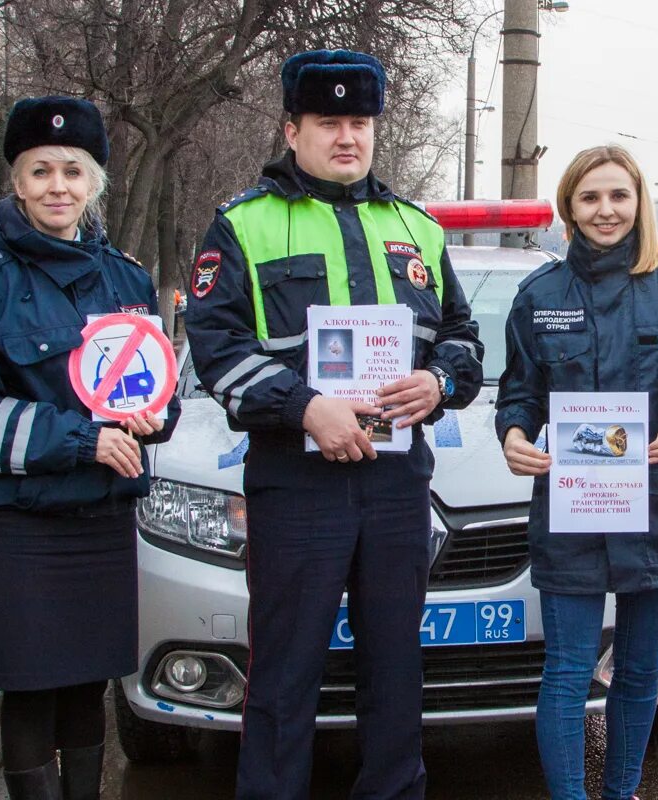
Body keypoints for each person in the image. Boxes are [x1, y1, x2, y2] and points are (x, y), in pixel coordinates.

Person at [183, 49, 483, 800]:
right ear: (293, 130)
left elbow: (463, 337)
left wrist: (439, 381)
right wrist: (303, 405)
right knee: (284, 674)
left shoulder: (418, 228)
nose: (346, 137)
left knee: (394, 670)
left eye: (359, 122)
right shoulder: (243, 226)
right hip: (296, 483)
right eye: (328, 122)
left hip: (395, 483)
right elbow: (217, 351)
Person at [0, 96, 180, 800]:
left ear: (94, 181)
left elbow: (158, 388)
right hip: (19, 526)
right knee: (32, 691)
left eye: (73, 170)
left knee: (86, 688)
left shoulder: (126, 279)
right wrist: (80, 442)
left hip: (99, 520)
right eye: (40, 171)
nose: (57, 186)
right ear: (17, 182)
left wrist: (159, 415)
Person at [494, 145, 658, 800]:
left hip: (652, 502)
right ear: (569, 206)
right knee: (567, 672)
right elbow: (519, 392)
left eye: (619, 196)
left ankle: (621, 795)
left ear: (639, 203)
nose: (606, 210)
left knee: (639, 672)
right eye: (590, 197)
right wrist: (512, 434)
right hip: (572, 508)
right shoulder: (539, 294)